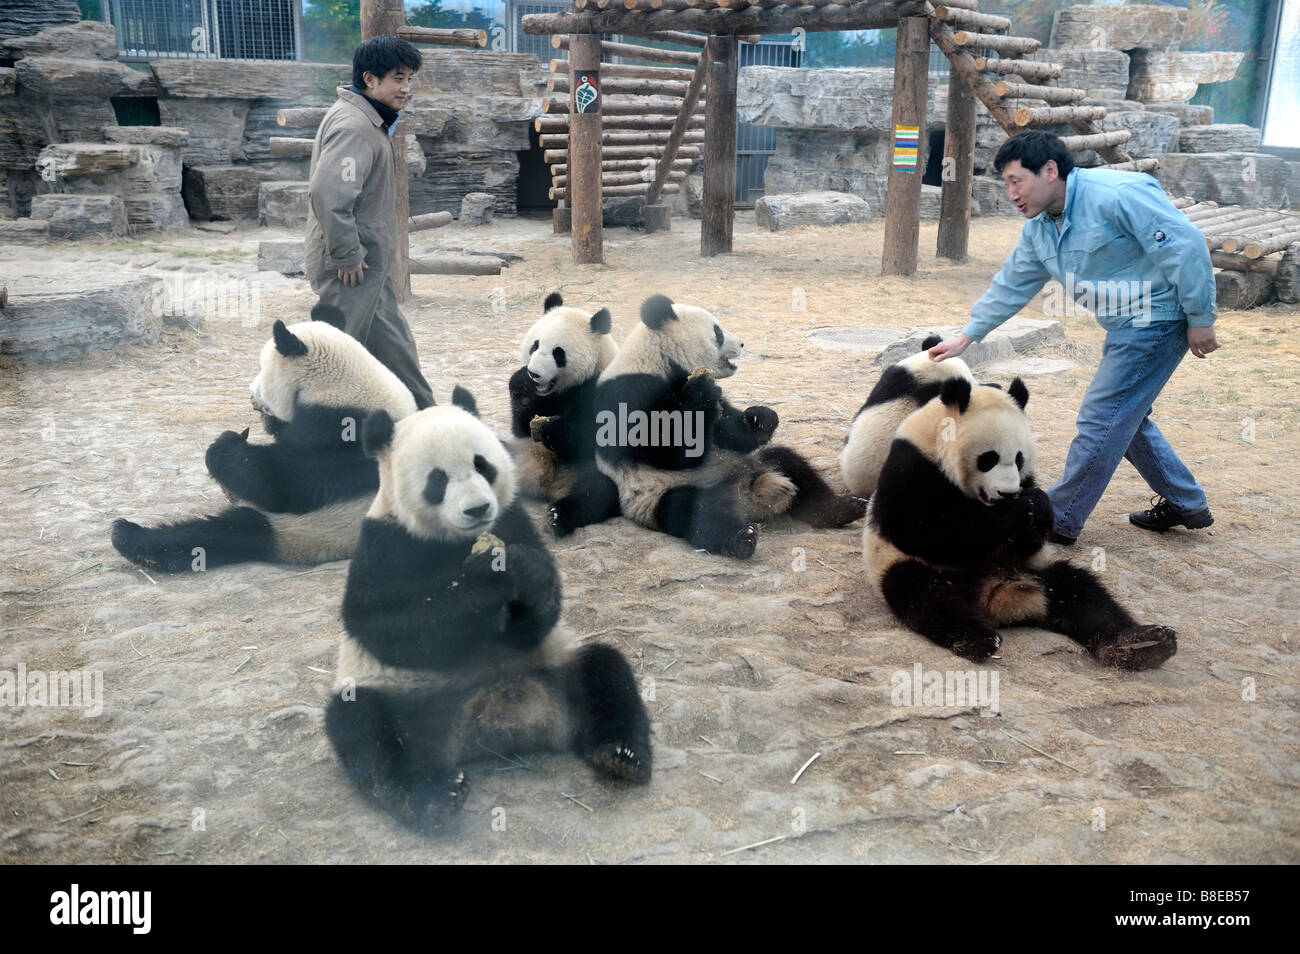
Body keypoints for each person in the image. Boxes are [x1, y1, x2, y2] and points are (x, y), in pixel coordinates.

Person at [928, 131, 1219, 544]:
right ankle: (1185, 500)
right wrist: (966, 337)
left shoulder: (1117, 194)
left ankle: (1057, 520)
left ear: (1049, 171)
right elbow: (1012, 283)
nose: (1011, 194)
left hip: (1157, 316)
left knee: (1101, 417)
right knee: (1124, 417)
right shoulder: (1040, 228)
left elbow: (1185, 245)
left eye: (1016, 181)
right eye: (1006, 184)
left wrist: (1200, 317)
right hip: (1125, 325)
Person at [304, 35, 435, 409]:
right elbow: (329, 194)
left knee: (396, 350)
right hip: (350, 268)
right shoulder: (354, 126)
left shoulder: (368, 120)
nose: (406, 88)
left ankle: (427, 420)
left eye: (409, 79)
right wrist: (346, 254)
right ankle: (308, 439)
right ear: (370, 79)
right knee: (335, 359)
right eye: (398, 78)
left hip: (368, 268)